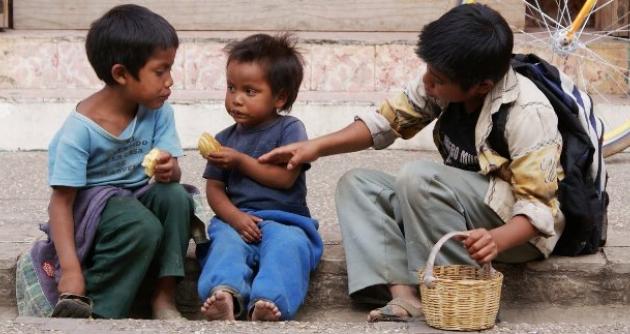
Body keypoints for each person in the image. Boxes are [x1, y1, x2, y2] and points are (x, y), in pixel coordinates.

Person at [259, 3, 563, 322]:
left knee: (418, 177)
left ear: (482, 86)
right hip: (457, 215)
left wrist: (496, 240)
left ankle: (455, 299)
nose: (427, 82)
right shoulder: (441, 82)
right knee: (357, 185)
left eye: (438, 78)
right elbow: (387, 123)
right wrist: (315, 147)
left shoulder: (528, 112)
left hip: (514, 233)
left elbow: (539, 212)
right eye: (428, 70)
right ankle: (404, 297)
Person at [17, 4, 194, 319]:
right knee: (141, 226)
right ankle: (97, 311)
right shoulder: (79, 131)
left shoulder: (158, 111)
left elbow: (173, 173)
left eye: (170, 68)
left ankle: (164, 298)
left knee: (177, 197)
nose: (170, 81)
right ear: (121, 74)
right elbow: (60, 204)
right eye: (160, 70)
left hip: (136, 197)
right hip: (93, 210)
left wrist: (171, 170)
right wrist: (71, 270)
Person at [196, 33, 323, 322]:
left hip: (285, 220)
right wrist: (233, 217)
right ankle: (224, 295)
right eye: (231, 88)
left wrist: (241, 161)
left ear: (279, 97)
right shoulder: (223, 139)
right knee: (224, 245)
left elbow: (284, 179)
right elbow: (215, 189)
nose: (236, 100)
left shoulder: (290, 130)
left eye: (250, 91)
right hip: (238, 219)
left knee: (288, 248)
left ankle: (268, 301)